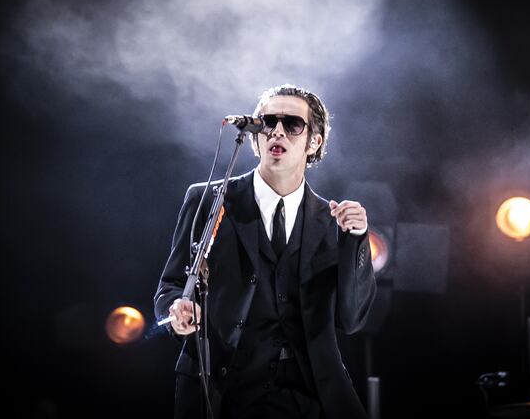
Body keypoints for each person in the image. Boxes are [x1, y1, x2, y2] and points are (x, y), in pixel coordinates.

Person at [154, 84, 376, 419]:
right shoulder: (210, 201)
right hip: (223, 387)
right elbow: (170, 286)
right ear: (255, 137)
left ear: (314, 142)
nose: (278, 132)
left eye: (293, 125)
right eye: (268, 123)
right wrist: (178, 313)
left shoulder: (332, 222)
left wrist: (356, 239)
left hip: (307, 392)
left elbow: (352, 318)